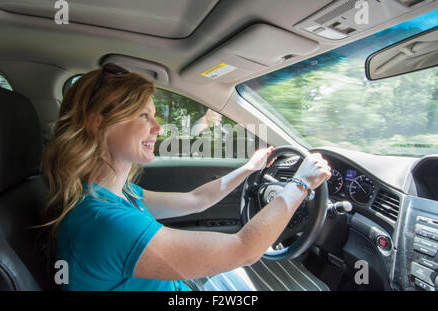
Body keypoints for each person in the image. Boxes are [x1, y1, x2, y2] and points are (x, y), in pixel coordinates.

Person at [41, 63, 331, 291]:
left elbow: (197, 199)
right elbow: (243, 250)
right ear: (99, 122)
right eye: (143, 116)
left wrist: (248, 169)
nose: (158, 128)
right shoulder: (106, 223)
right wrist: (300, 185)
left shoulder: (114, 195)